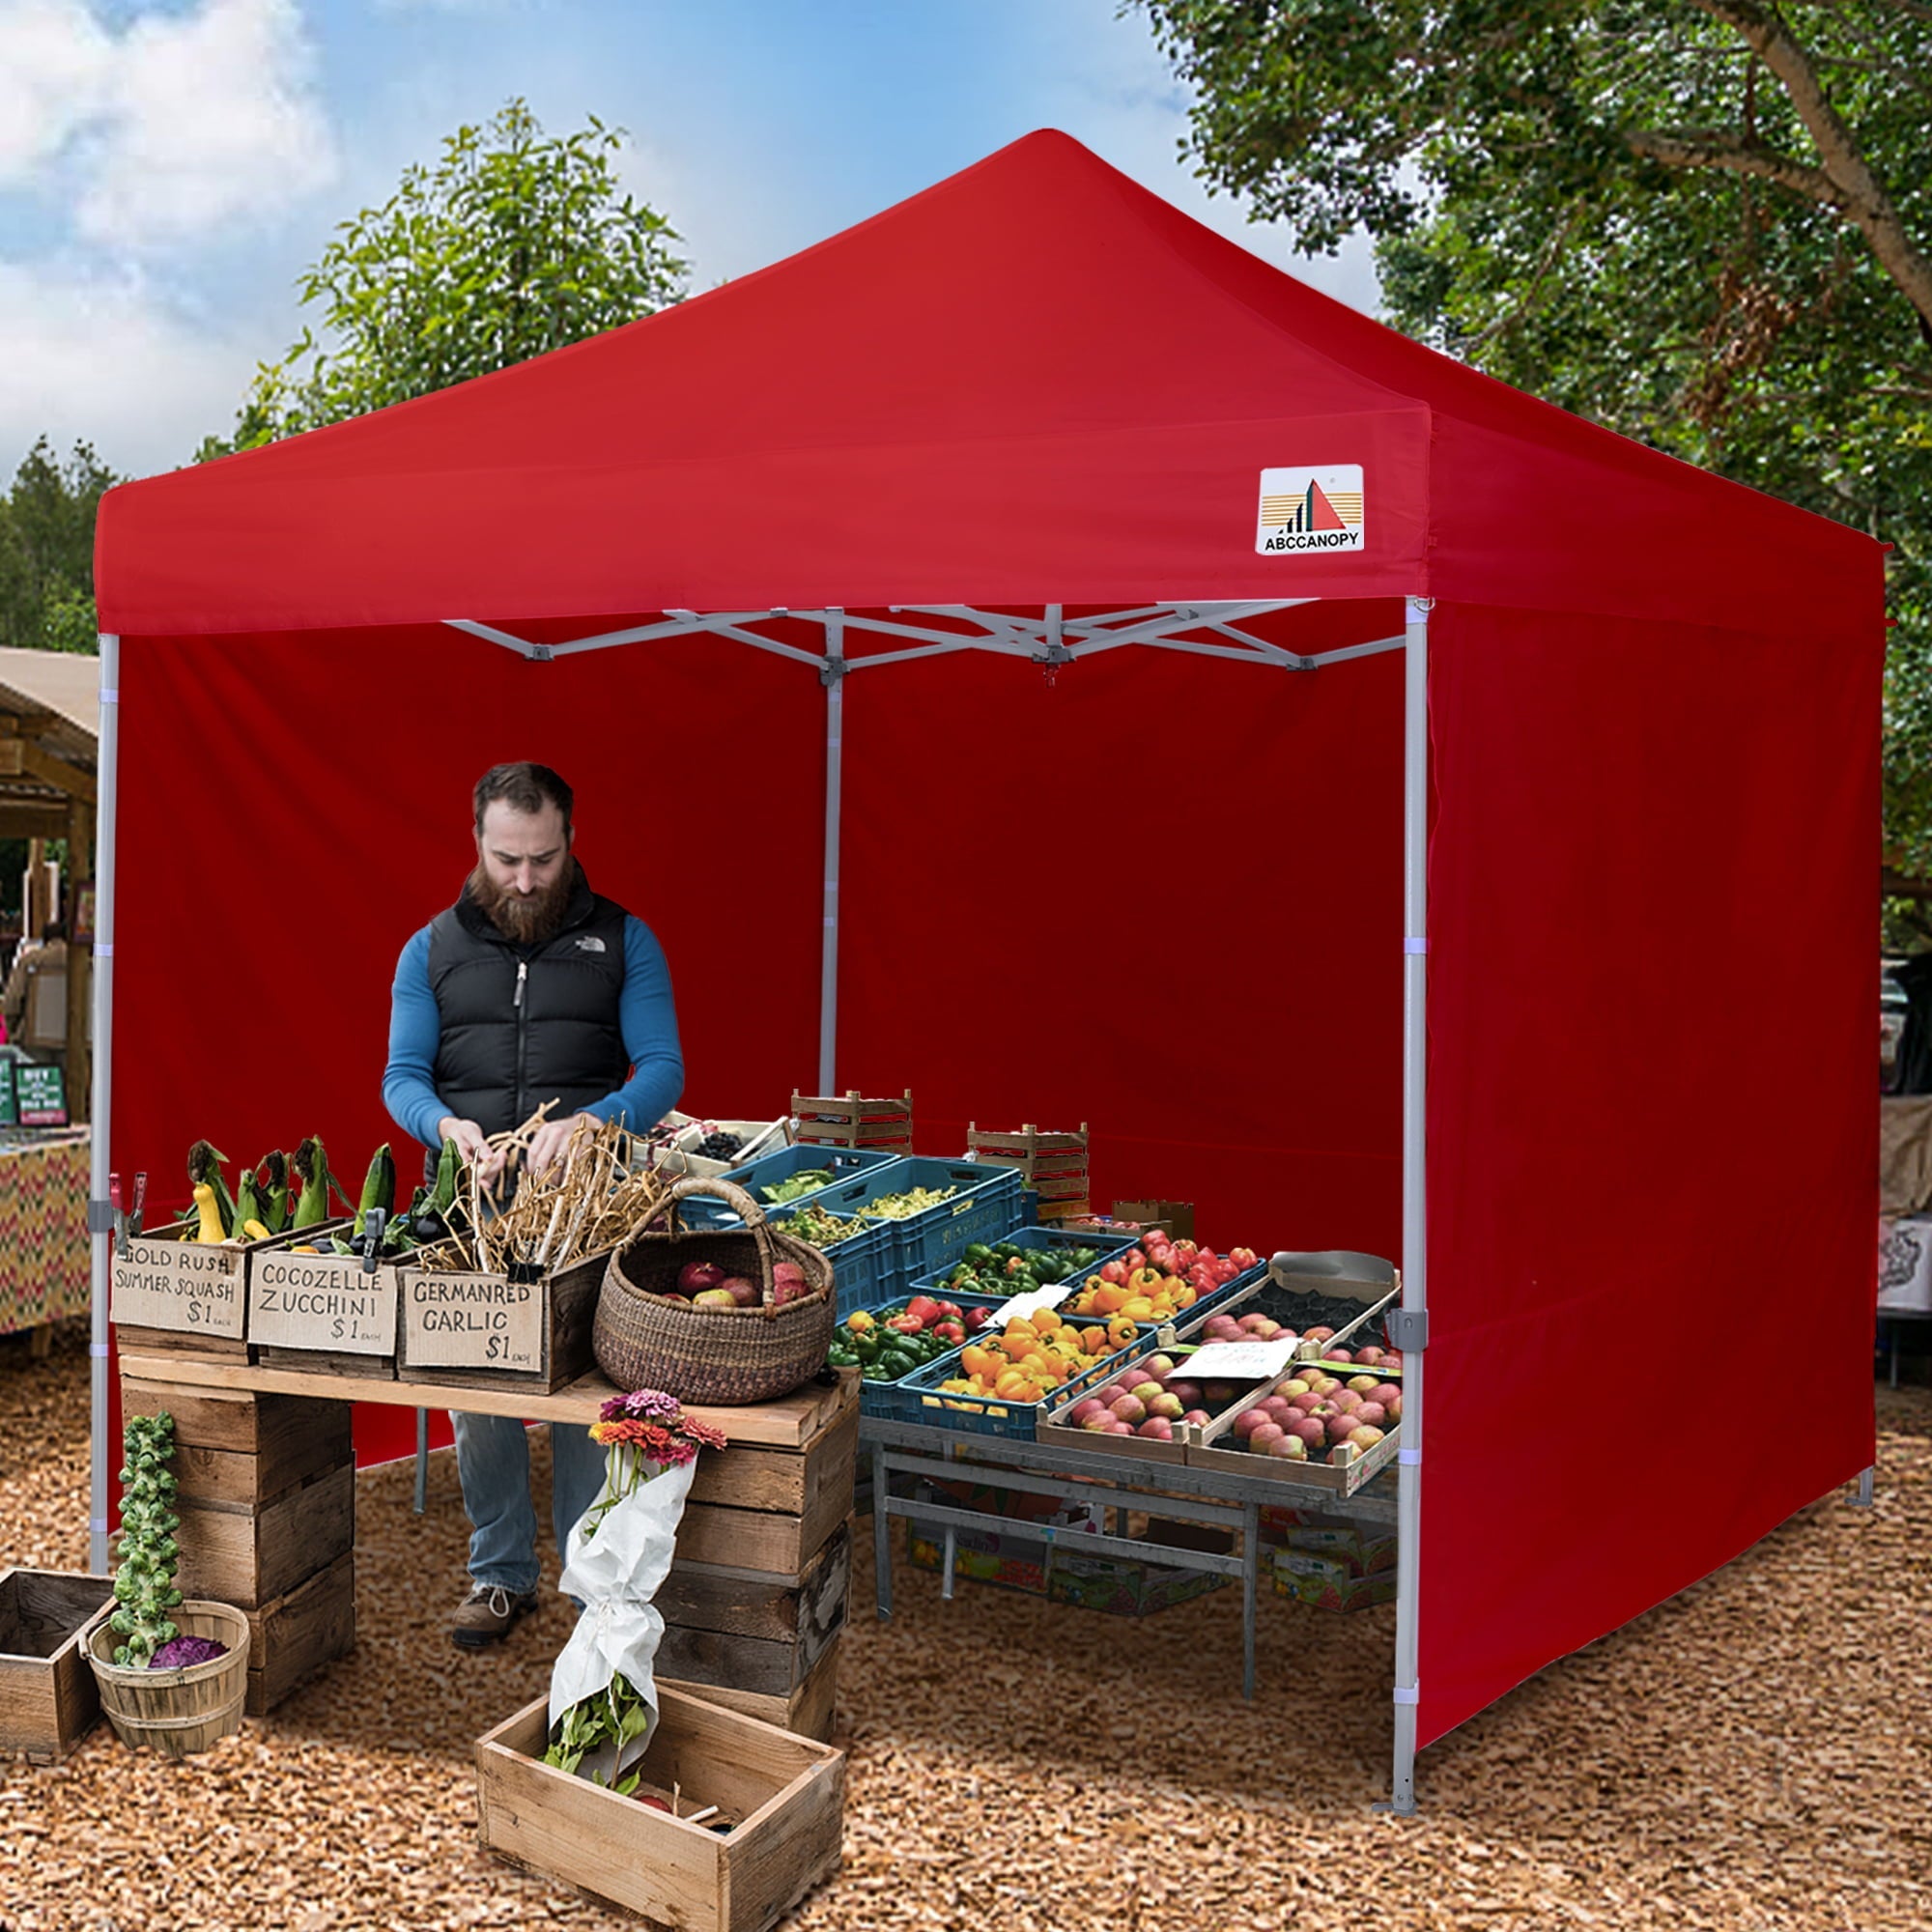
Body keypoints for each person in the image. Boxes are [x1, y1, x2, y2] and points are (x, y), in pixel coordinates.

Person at [383, 762, 684, 1648]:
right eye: (506, 858)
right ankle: (500, 1573)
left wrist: (595, 1123)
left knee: (592, 1388)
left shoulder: (625, 940)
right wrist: (446, 1130)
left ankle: (592, 1584)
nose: (523, 880)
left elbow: (662, 1068)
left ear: (570, 842)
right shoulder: (429, 949)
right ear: (476, 841)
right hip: (478, 1211)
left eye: (542, 860)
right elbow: (403, 1077)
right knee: (480, 1393)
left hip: (590, 1211)